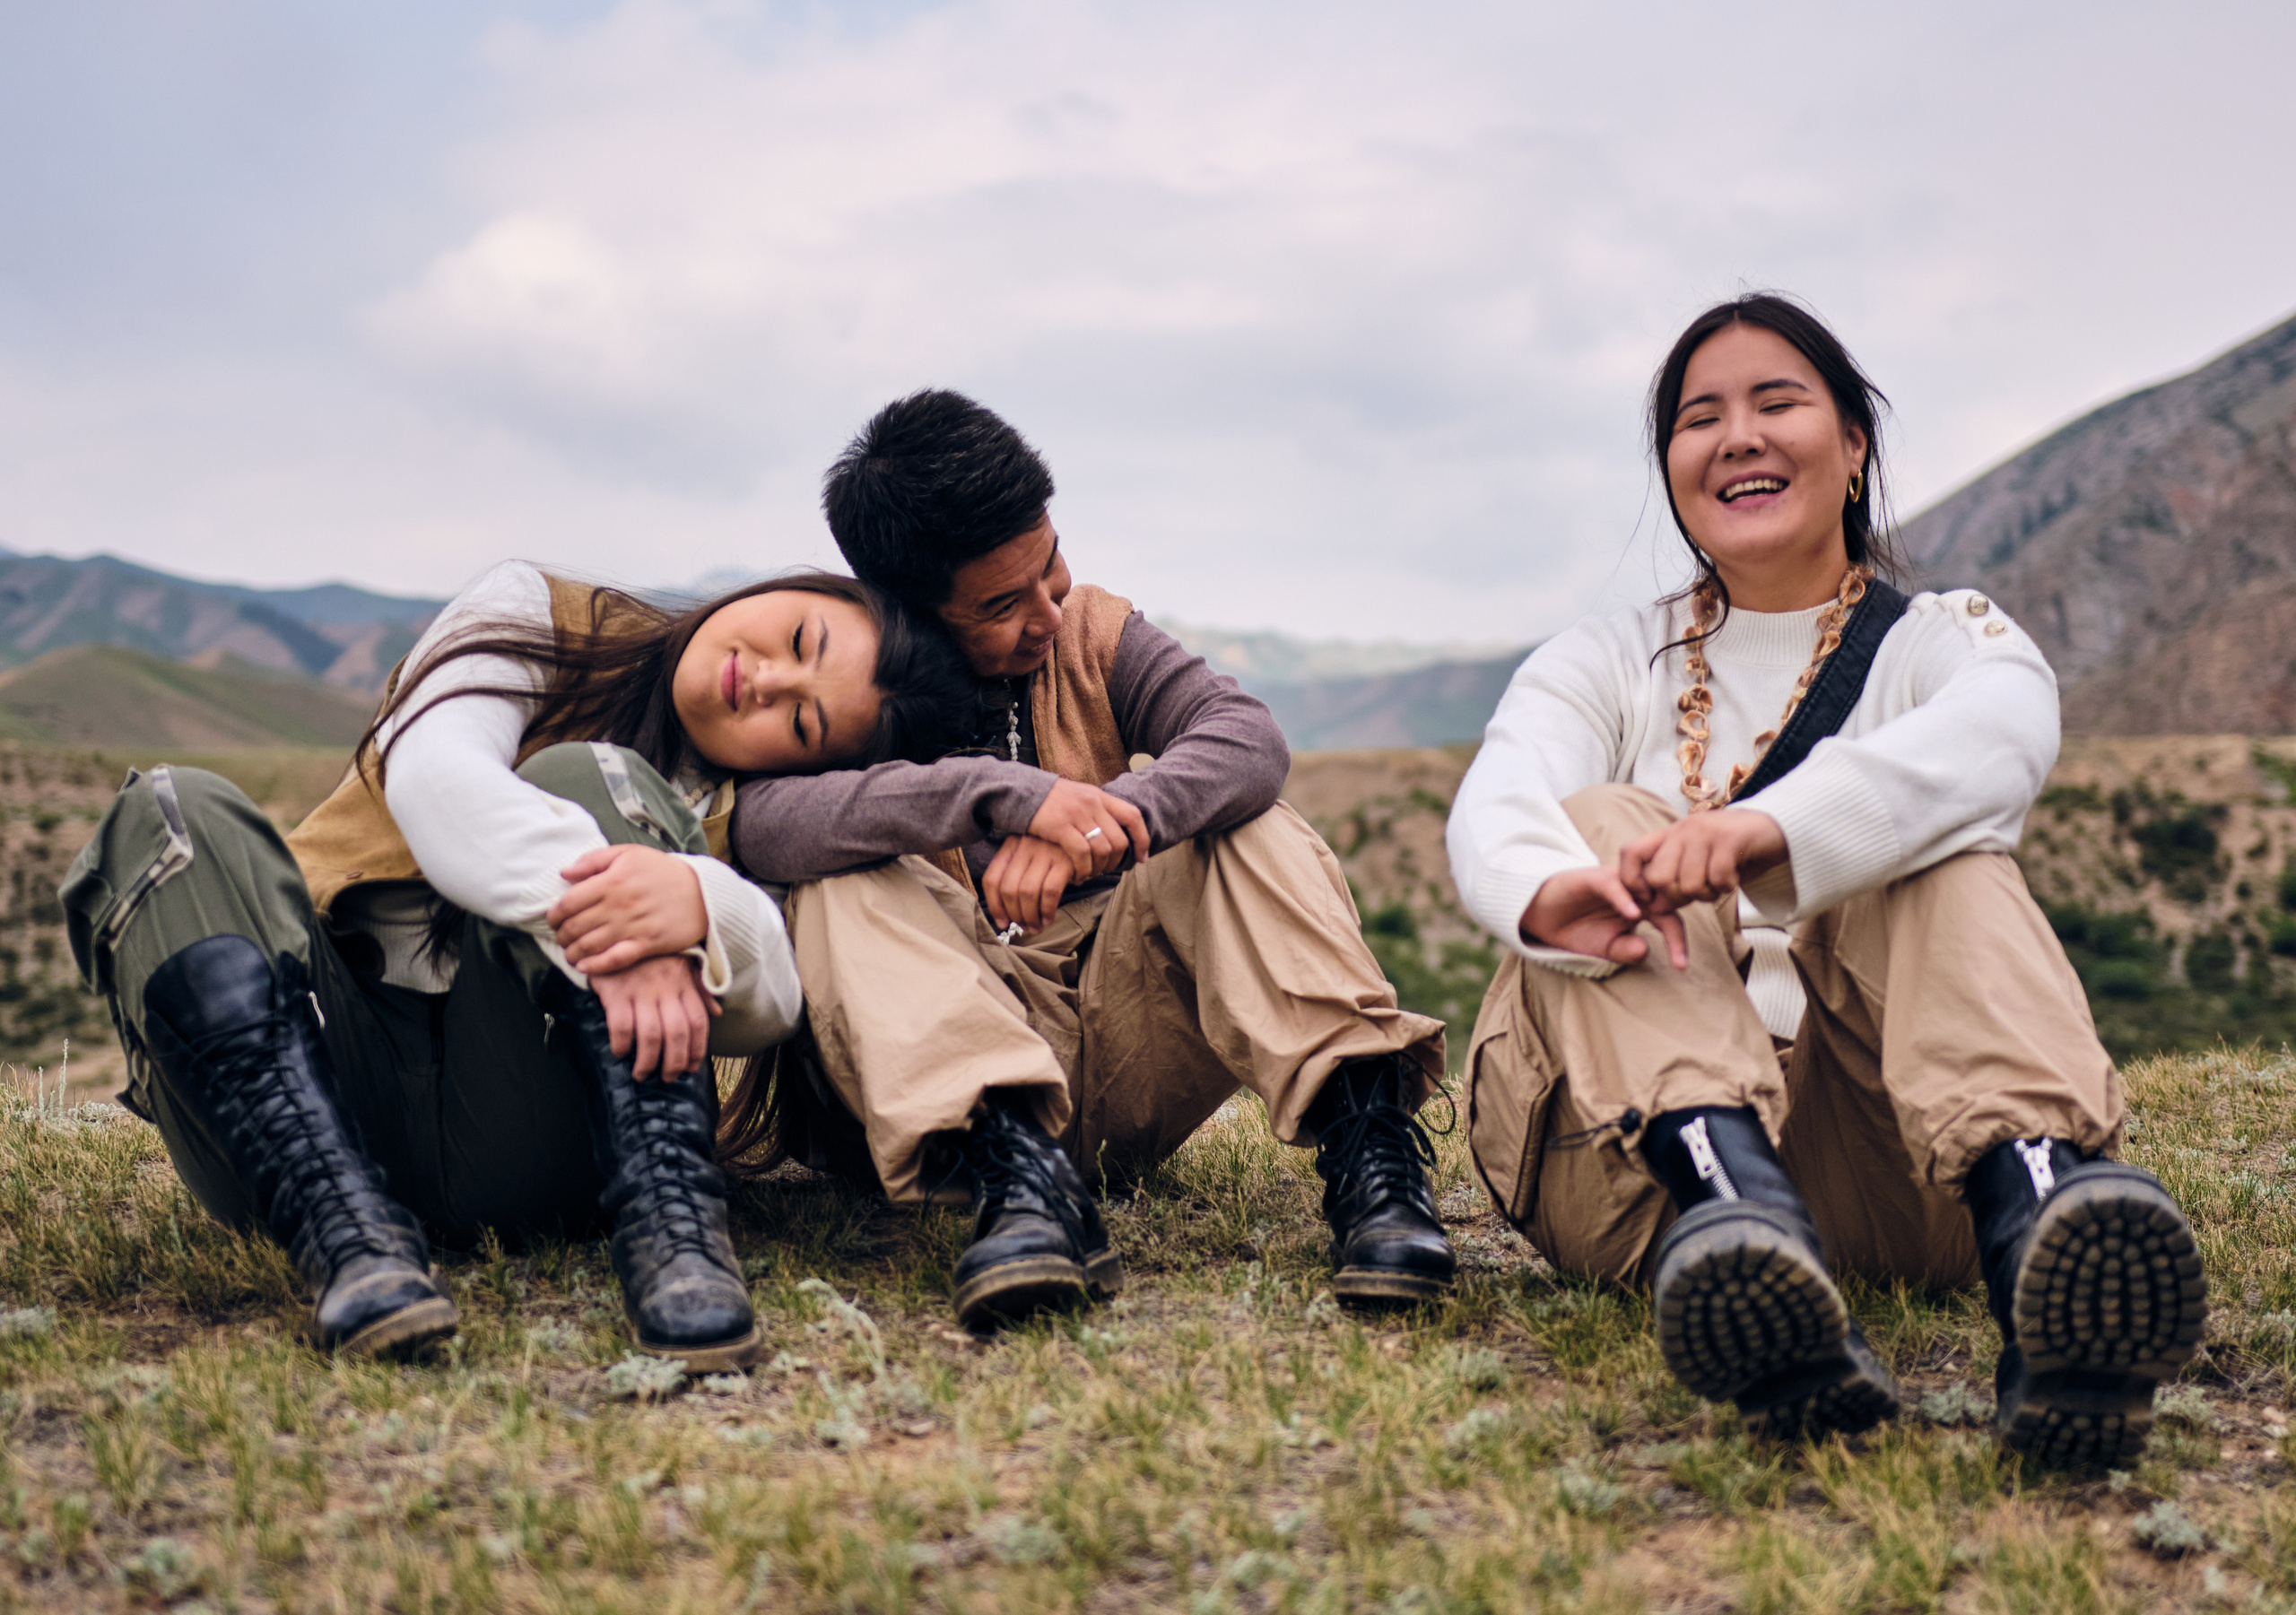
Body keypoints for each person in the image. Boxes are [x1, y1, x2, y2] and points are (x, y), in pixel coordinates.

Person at [1445, 292, 2206, 1467]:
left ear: (1853, 446)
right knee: (1597, 818)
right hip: (1630, 1172)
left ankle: (2044, 1225)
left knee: (1932, 840)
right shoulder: (1604, 660)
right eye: (1700, 419)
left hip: (1899, 1161)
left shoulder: (1944, 641)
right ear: (1674, 469)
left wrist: (1766, 832)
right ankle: (1735, 1217)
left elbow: (2002, 734)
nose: (1737, 436)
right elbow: (1504, 793)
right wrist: (1551, 894)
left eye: (1777, 402)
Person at [62, 560, 968, 1367]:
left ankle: (675, 1240)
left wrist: (693, 907)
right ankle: (345, 1235)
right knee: (171, 812)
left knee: (594, 777)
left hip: (523, 1135)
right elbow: (437, 780)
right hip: (296, 1110)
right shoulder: (533, 616)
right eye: (798, 637)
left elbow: (771, 999)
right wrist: (612, 910)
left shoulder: (729, 807)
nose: (763, 681)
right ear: (785, 584)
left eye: (801, 723)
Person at [726, 391, 1456, 1331]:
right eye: (998, 604)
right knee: (840, 878)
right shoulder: (838, 687)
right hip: (938, 1094)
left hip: (1116, 1051)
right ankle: (1018, 1188)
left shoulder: (1089, 631)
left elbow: (1245, 740)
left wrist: (1103, 819)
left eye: (1050, 565)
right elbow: (757, 825)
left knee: (1248, 822)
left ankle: (1373, 1159)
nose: (1046, 611)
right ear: (911, 614)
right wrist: (997, 794)